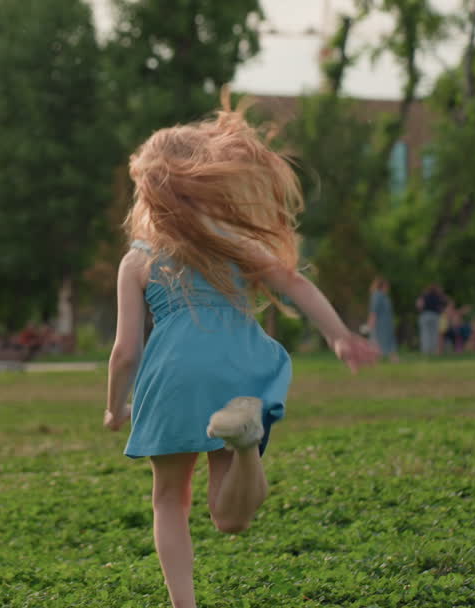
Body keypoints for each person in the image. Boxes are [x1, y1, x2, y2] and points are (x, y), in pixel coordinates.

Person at [103, 97, 378, 608]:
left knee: (169, 499)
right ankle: (245, 444)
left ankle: (183, 605)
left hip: (175, 375)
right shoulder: (231, 241)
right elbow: (293, 281)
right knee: (231, 518)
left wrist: (114, 405)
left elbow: (124, 351)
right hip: (237, 362)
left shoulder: (138, 259)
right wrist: (339, 334)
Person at [367, 277, 399, 362]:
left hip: (386, 323)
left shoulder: (384, 296)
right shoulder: (377, 295)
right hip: (380, 324)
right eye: (386, 286)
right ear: (382, 286)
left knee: (388, 340)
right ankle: (373, 359)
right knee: (377, 340)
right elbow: (374, 310)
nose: (388, 288)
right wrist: (371, 323)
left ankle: (393, 358)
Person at [416, 283, 448, 355]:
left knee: (425, 334)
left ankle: (425, 351)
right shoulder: (438, 296)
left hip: (425, 315)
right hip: (435, 316)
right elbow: (444, 304)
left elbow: (419, 305)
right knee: (434, 334)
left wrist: (420, 311)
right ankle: (433, 351)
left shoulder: (423, 296)